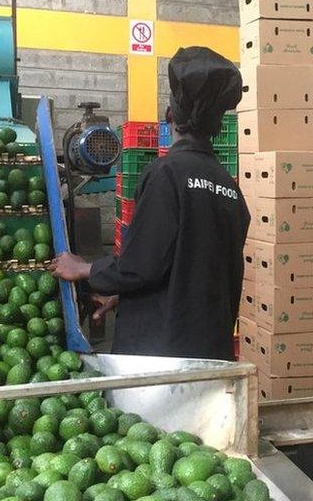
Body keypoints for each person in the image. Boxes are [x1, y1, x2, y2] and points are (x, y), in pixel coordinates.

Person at [48, 46, 249, 361]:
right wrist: (124, 296)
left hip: (162, 356)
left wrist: (84, 268)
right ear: (216, 123)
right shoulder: (230, 189)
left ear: (170, 117)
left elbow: (140, 265)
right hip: (211, 350)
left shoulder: (166, 174)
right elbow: (190, 270)